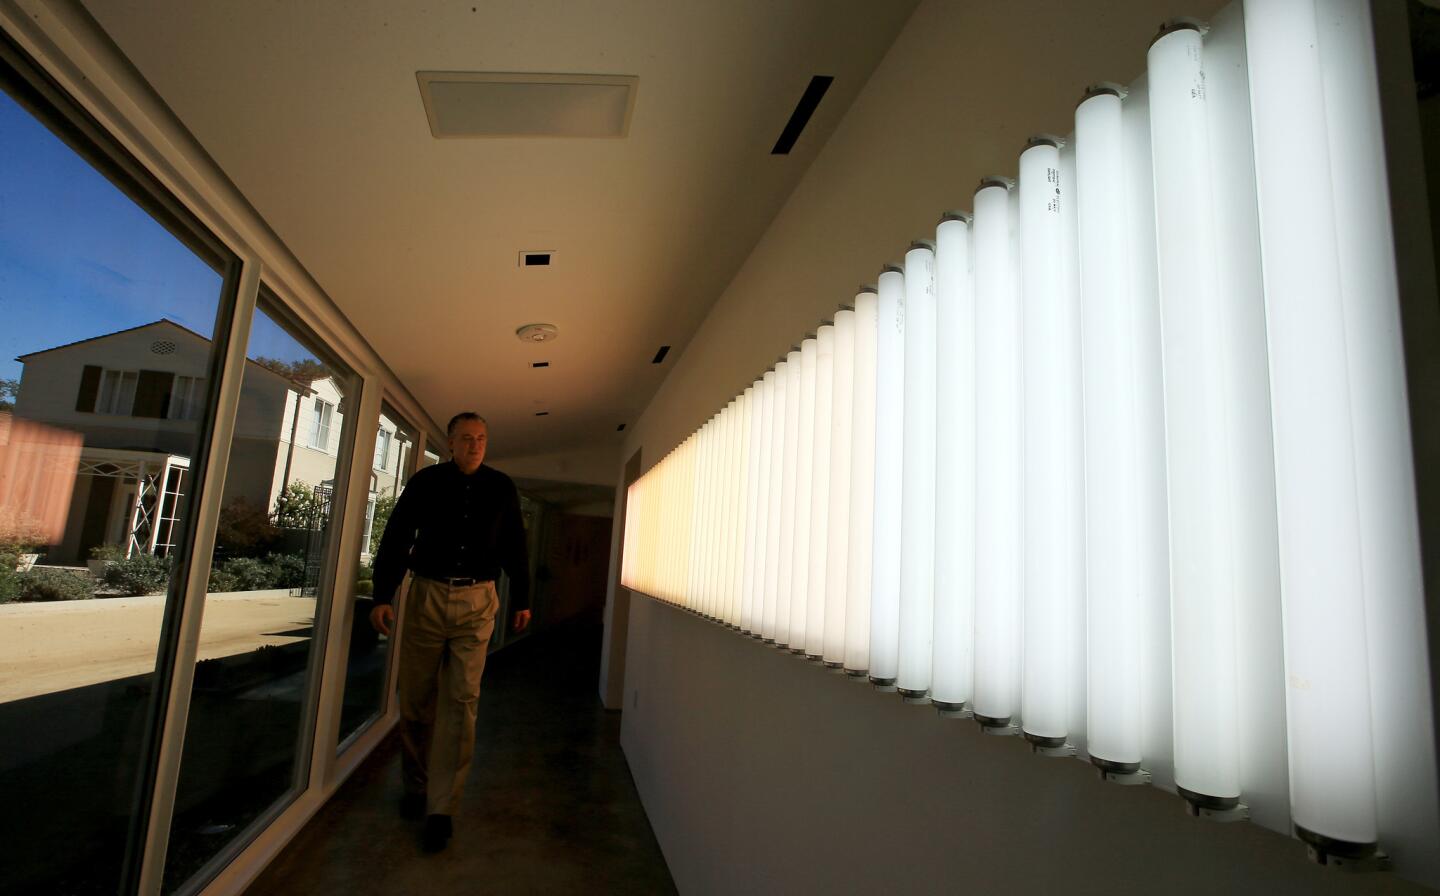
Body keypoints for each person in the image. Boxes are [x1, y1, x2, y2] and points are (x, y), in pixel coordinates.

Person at [369, 411, 531, 852]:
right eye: (466, 438)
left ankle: (443, 807)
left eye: (481, 437)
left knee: (462, 702)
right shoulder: (425, 483)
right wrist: (382, 594)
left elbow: (516, 543)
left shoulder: (501, 487)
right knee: (418, 699)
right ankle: (416, 787)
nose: (475, 445)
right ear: (451, 442)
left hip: (479, 602)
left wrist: (523, 598)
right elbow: (398, 534)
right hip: (426, 598)